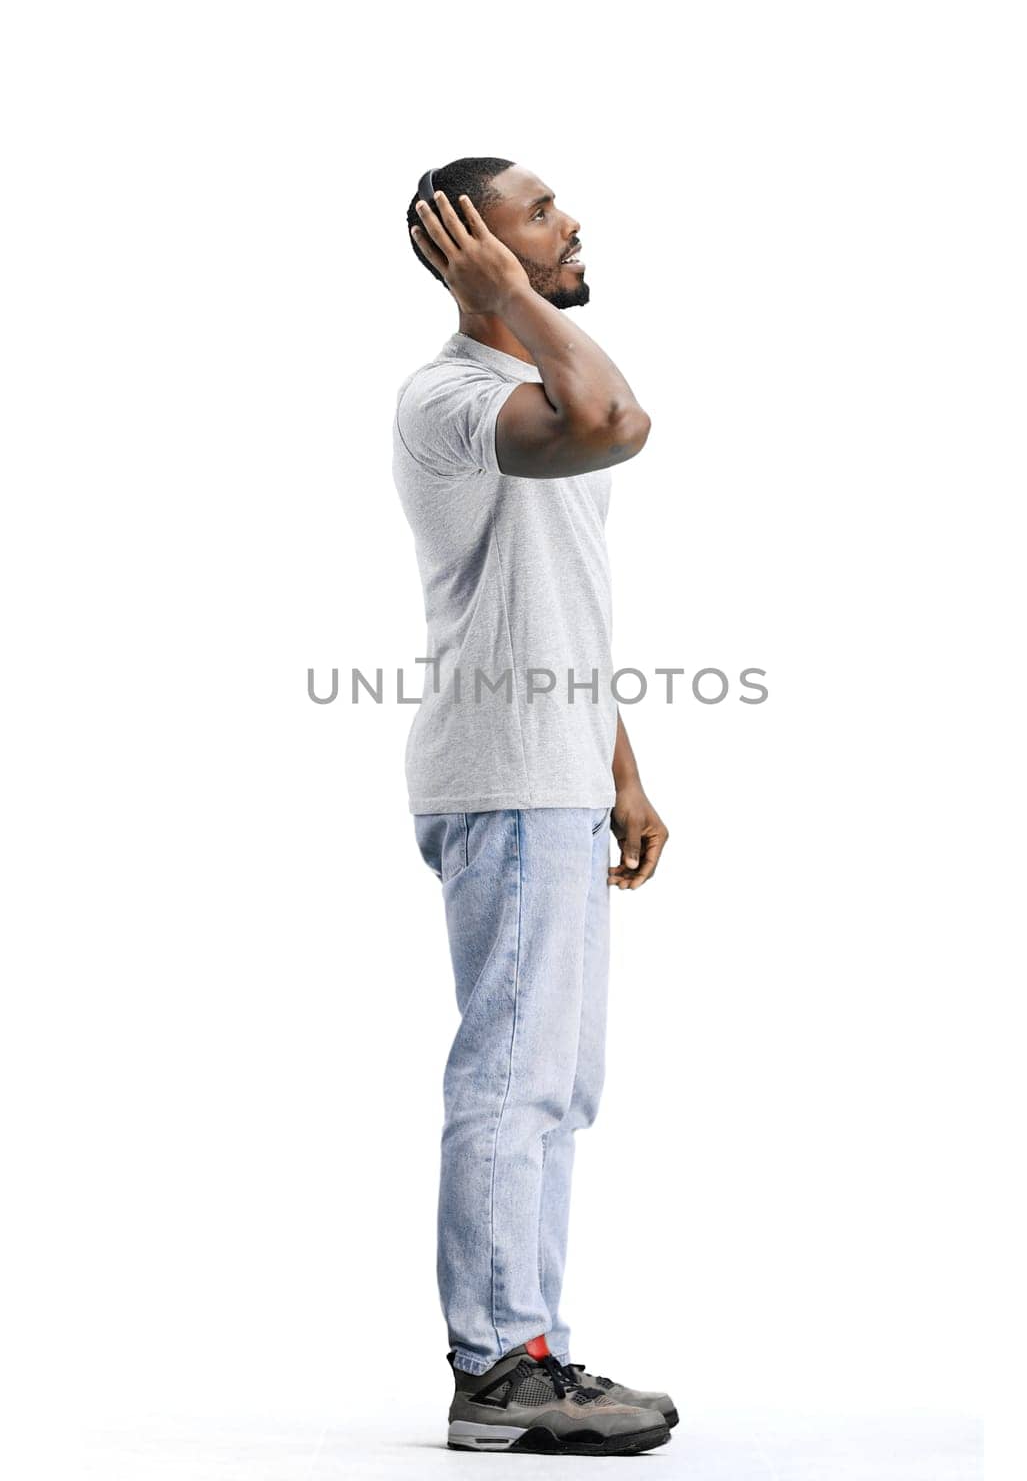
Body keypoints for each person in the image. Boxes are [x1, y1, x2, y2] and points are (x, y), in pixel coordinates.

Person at [393, 157, 675, 1456]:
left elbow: (565, 594)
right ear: (468, 250)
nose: (572, 225)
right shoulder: (455, 399)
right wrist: (507, 297)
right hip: (501, 777)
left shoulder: (527, 394)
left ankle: (534, 1347)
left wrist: (620, 773)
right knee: (511, 1071)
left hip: (553, 775)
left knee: (557, 1081)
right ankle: (496, 1366)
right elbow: (619, 417)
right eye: (540, 213)